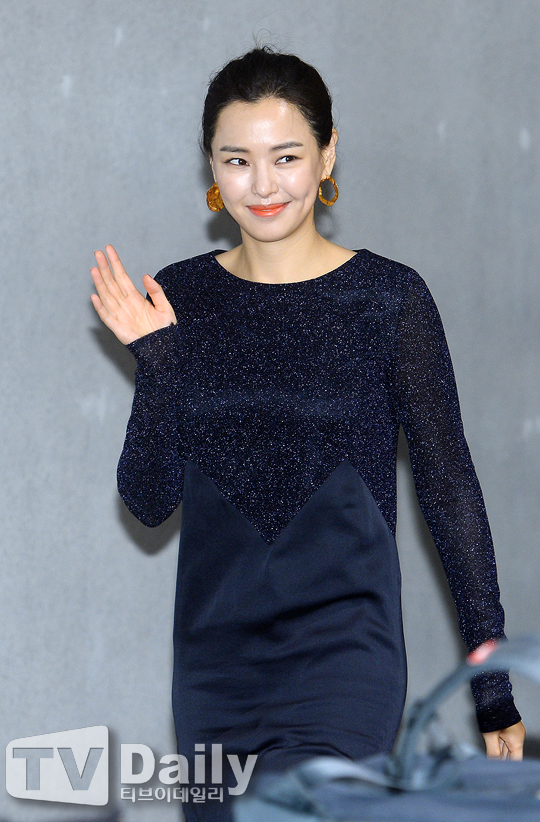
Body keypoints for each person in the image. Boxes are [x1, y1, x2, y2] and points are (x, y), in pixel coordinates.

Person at [90, 46, 525, 821]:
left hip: (344, 657)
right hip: (214, 669)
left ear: (327, 155)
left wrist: (491, 690)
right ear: (212, 168)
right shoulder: (180, 296)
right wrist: (160, 364)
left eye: (286, 157)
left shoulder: (388, 299)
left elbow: (449, 486)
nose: (263, 185)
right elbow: (148, 503)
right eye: (238, 160)